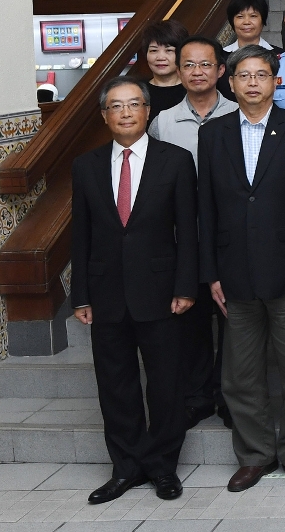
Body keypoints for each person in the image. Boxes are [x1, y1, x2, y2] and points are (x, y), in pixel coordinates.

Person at [198, 45, 285, 492]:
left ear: (277, 80)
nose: (252, 82)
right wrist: (210, 271)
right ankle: (254, 455)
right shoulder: (212, 135)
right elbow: (206, 209)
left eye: (261, 74)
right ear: (228, 83)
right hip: (233, 275)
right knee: (240, 375)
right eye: (243, 75)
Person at [71, 78, 198, 505]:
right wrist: (81, 294)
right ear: (104, 116)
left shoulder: (176, 160)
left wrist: (185, 285)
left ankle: (163, 468)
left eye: (134, 105)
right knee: (115, 384)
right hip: (106, 294)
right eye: (116, 106)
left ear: (147, 111)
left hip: (162, 292)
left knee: (164, 384)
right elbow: (82, 237)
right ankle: (125, 467)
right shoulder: (85, 166)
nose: (126, 113)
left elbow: (188, 231)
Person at [148, 37, 238, 430]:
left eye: (206, 65)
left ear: (221, 70)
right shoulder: (163, 122)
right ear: (178, 72)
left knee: (236, 319)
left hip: (232, 237)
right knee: (193, 319)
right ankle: (199, 394)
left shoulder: (240, 112)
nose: (197, 72)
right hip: (184, 240)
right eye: (189, 65)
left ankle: (229, 394)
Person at [142, 20, 189, 121]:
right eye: (154, 50)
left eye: (169, 50)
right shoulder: (138, 91)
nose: (160, 57)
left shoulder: (193, 89)